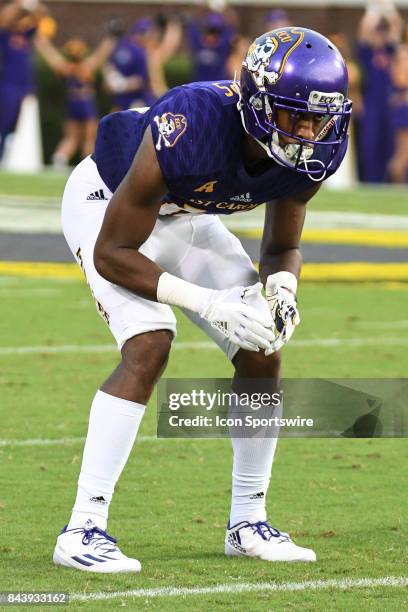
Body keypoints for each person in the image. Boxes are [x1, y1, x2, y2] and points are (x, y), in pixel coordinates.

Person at [54, 27, 351, 572]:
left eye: (320, 118)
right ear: (260, 104)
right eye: (295, 116)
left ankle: (247, 522)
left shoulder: (318, 147)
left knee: (261, 343)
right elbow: (114, 252)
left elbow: (283, 245)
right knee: (150, 341)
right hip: (107, 202)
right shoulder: (193, 123)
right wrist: (211, 304)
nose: (310, 131)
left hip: (186, 214)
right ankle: (82, 528)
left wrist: (281, 292)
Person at [37, 33, 119, 167]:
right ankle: (89, 164)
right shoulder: (86, 67)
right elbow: (101, 54)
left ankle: (60, 158)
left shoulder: (64, 67)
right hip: (85, 102)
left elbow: (50, 54)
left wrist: (41, 40)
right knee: (89, 138)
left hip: (72, 102)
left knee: (71, 137)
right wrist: (111, 38)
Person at [356, 0, 403, 182]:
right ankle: (370, 181)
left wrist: (388, 8)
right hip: (371, 104)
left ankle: (389, 182)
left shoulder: (391, 50)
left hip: (389, 104)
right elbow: (364, 30)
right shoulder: (366, 51)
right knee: (370, 145)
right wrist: (374, 9)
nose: (379, 36)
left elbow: (395, 29)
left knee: (390, 146)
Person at [0, 0, 47, 159]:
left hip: (26, 86)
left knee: (23, 124)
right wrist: (19, 5)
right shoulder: (5, 35)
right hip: (9, 84)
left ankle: (14, 157)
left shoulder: (28, 34)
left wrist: (32, 6)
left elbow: (41, 16)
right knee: (4, 122)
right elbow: (4, 18)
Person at [387, 44, 408, 182]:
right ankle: (395, 186)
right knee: (403, 153)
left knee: (402, 153)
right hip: (404, 110)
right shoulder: (402, 54)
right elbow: (400, 81)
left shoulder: (401, 53)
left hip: (402, 109)